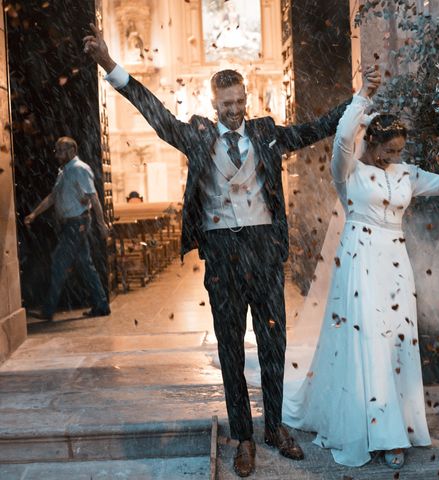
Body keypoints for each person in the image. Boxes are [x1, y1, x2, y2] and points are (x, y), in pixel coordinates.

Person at [82, 24, 360, 478]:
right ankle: (244, 438)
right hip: (222, 254)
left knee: (274, 344)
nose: (234, 111)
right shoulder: (197, 136)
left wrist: (357, 100)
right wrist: (111, 66)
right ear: (214, 104)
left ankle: (274, 428)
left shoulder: (268, 133)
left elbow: (316, 128)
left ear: (247, 99)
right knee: (230, 347)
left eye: (239, 103)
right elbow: (155, 114)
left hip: (265, 251)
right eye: (226, 105)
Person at [282, 66, 439, 469]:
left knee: (398, 340)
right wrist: (363, 94)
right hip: (359, 258)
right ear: (372, 143)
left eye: (400, 150)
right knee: (368, 339)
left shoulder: (405, 173)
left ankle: (399, 422)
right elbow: (343, 141)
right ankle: (378, 434)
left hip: (396, 261)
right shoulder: (348, 172)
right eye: (389, 150)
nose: (394, 157)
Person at [25, 136, 111, 321]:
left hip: (77, 224)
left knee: (58, 262)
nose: (57, 154)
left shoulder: (79, 169)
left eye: (60, 150)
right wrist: (34, 214)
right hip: (73, 224)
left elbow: (93, 197)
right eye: (56, 150)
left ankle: (48, 310)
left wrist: (101, 224)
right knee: (85, 266)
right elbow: (53, 197)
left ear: (72, 150)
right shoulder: (65, 171)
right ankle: (101, 304)